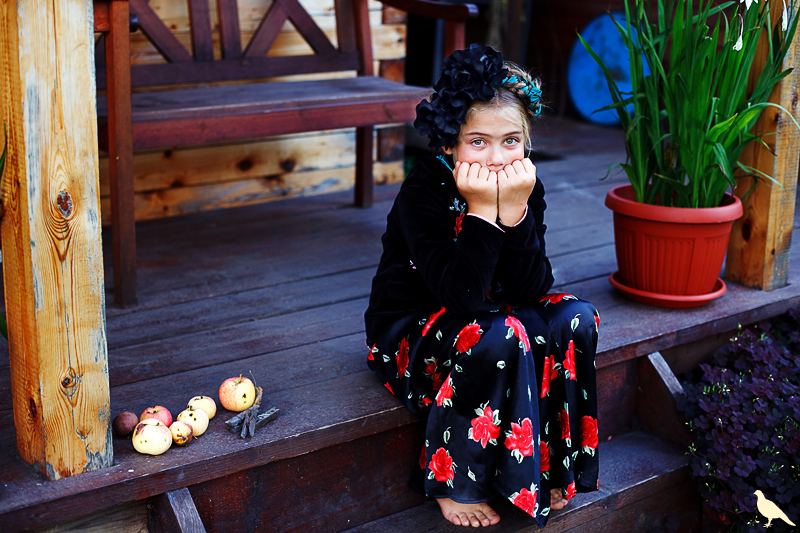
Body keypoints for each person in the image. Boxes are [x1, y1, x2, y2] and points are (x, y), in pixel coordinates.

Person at [364, 43, 600, 528]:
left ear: (526, 142)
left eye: (510, 140)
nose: (496, 158)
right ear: (449, 143)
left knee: (574, 317)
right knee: (498, 333)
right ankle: (453, 481)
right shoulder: (423, 191)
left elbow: (531, 289)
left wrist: (514, 212)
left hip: (496, 318)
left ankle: (552, 466)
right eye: (478, 141)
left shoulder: (522, 185)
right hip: (415, 333)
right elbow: (461, 298)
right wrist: (480, 212)